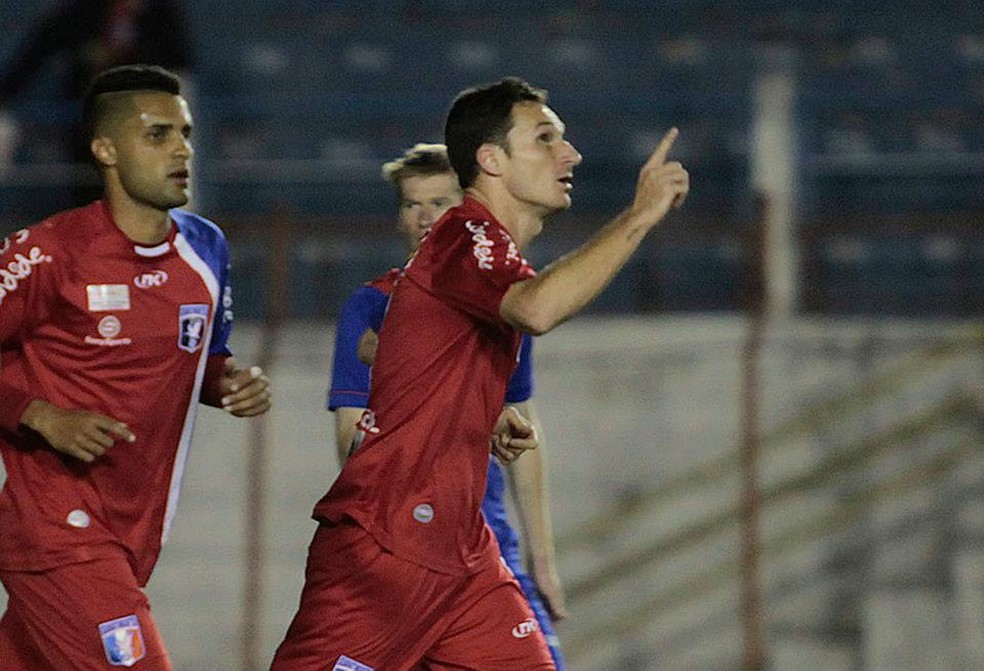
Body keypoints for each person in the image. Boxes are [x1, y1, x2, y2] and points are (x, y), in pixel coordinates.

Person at [272, 76, 688, 670]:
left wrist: (482, 415)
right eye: (545, 139)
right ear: (490, 160)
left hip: (463, 555)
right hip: (389, 546)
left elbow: (408, 354)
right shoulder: (467, 235)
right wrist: (640, 216)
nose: (569, 155)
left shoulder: (484, 256)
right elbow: (537, 310)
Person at [0, 64, 270, 670]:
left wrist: (228, 383)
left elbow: (202, 356)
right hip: (57, 533)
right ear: (106, 150)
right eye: (157, 135)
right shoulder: (47, 252)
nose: (182, 151)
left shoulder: (206, 248)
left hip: (132, 533)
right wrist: (39, 414)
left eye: (186, 133)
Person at [327, 143, 567, 667]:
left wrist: (542, 560)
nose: (425, 217)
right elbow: (351, 443)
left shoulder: (506, 301)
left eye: (439, 202)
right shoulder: (370, 307)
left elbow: (524, 435)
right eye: (412, 204)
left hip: (487, 552)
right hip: (400, 555)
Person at [0, 0, 193, 204]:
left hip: (143, 120)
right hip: (89, 121)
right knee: (91, 189)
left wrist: (124, 58)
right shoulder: (81, 13)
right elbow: (35, 54)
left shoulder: (161, 15)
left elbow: (179, 62)